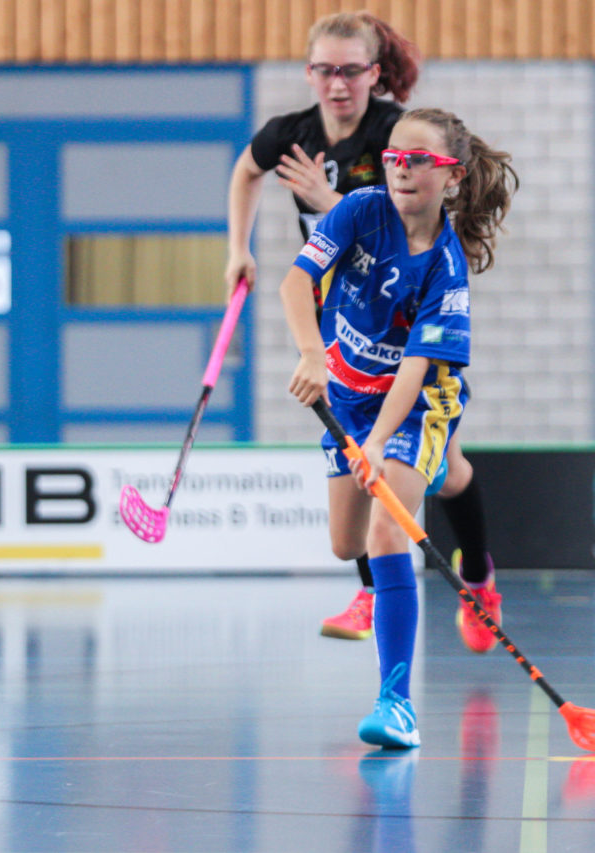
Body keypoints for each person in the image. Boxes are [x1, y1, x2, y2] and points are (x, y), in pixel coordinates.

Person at [225, 11, 502, 653]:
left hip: (406, 318)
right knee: (364, 522)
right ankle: (379, 580)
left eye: (351, 70)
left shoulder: (395, 134)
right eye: (325, 69)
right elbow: (245, 174)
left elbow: (401, 216)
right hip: (345, 315)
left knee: (445, 469)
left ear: (375, 75)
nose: (337, 83)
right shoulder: (291, 133)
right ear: (309, 73)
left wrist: (335, 207)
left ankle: (470, 575)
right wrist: (235, 249)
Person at [279, 108, 518, 747]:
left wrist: (382, 444)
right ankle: (440, 475)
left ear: (452, 178)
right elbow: (296, 283)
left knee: (389, 530)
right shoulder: (359, 210)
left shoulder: (447, 268)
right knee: (345, 542)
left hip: (415, 405)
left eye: (417, 160)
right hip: (348, 398)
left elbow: (416, 365)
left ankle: (397, 703)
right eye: (392, 156)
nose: (400, 169)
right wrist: (311, 353)